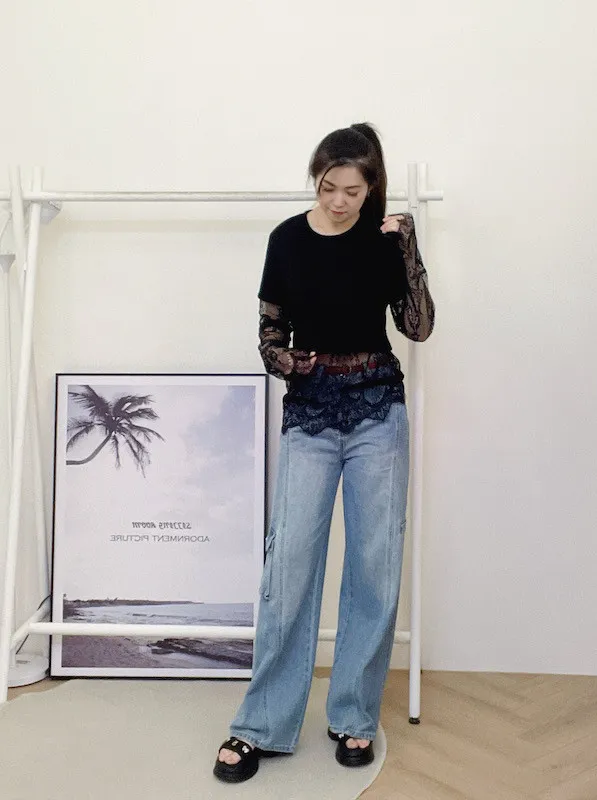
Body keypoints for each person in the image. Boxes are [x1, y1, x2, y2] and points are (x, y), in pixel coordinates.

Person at [213, 122, 435, 784]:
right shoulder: (286, 239)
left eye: (352, 191)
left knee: (375, 566)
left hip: (377, 412)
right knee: (289, 567)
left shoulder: (383, 242)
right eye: (328, 186)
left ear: (372, 189)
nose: (338, 201)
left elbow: (418, 326)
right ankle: (262, 723)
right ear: (316, 179)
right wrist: (291, 363)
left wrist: (409, 248)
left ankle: (354, 716)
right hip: (310, 416)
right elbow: (269, 332)